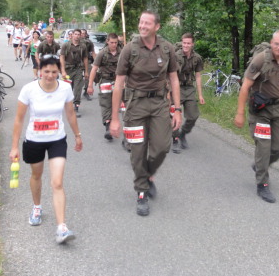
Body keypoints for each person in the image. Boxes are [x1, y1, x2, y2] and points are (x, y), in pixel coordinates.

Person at [110, 11, 182, 216]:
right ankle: (141, 191)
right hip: (135, 105)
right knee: (138, 151)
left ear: (157, 27)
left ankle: (148, 173)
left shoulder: (167, 48)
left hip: (159, 103)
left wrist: (177, 109)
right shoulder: (129, 50)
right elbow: (118, 84)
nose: (142, 26)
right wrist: (114, 118)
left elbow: (174, 79)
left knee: (162, 147)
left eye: (147, 23)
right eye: (141, 22)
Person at [10, 55, 83, 244]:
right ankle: (37, 207)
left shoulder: (65, 88)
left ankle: (62, 228)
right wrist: (14, 147)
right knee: (36, 175)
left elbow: (70, 113)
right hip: (34, 140)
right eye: (47, 71)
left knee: (57, 182)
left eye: (54, 72)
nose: (50, 75)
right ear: (40, 71)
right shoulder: (29, 90)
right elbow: (19, 119)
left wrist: (77, 135)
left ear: (59, 71)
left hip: (57, 140)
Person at [234, 30, 279, 203]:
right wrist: (240, 113)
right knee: (264, 146)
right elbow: (245, 87)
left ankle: (260, 165)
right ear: (271, 42)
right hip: (260, 110)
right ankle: (262, 184)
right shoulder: (260, 60)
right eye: (276, 43)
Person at [171, 33, 205, 153]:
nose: (186, 45)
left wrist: (200, 95)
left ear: (192, 44)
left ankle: (183, 133)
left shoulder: (197, 58)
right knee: (175, 114)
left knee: (193, 116)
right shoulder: (175, 56)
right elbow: (169, 74)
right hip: (176, 88)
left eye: (188, 43)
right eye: (184, 43)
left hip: (189, 88)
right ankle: (175, 139)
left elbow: (198, 76)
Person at [87, 33, 121, 141]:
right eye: (112, 42)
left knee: (121, 104)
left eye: (115, 42)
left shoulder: (122, 52)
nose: (114, 45)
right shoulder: (102, 53)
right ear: (107, 42)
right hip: (105, 80)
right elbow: (94, 69)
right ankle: (108, 127)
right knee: (106, 104)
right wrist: (90, 85)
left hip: (118, 81)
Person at [60, 29, 89, 118]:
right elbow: (62, 57)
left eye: (78, 34)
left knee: (77, 89)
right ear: (72, 35)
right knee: (68, 89)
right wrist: (63, 71)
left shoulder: (83, 46)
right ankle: (66, 105)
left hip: (78, 69)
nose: (76, 36)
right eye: (75, 34)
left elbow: (85, 58)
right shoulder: (66, 45)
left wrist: (86, 71)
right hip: (68, 69)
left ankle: (76, 107)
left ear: (80, 36)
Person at [81, 29, 95, 101]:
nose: (82, 35)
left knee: (88, 76)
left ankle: (86, 91)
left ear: (86, 34)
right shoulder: (75, 42)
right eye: (81, 33)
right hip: (78, 62)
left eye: (84, 33)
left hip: (88, 61)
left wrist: (96, 63)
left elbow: (93, 52)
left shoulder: (89, 42)